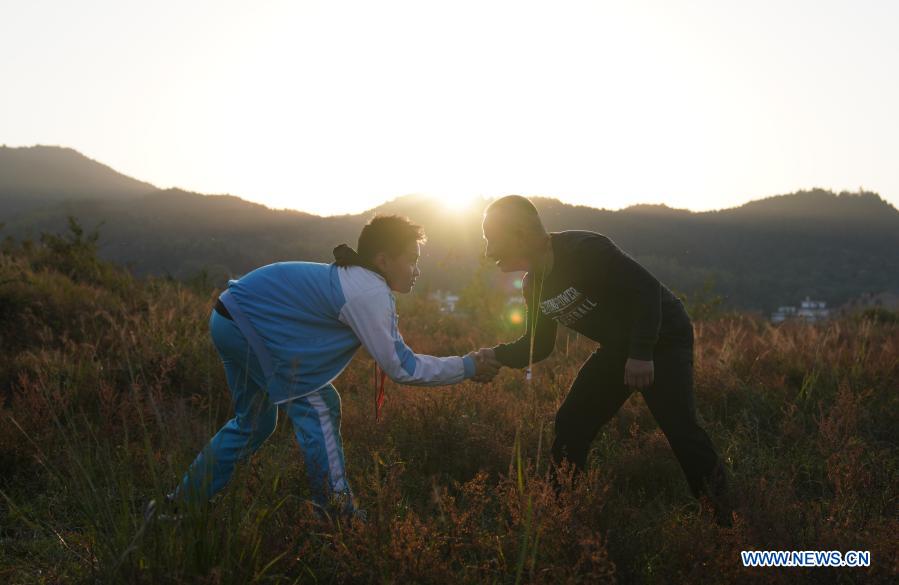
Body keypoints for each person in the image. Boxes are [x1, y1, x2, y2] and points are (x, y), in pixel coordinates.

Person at [164, 215, 499, 520]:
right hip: (248, 326)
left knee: (253, 423)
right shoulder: (368, 291)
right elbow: (402, 367)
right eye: (411, 260)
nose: (417, 270)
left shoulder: (360, 281)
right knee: (319, 404)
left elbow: (393, 356)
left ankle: (182, 504)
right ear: (383, 260)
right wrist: (468, 366)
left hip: (229, 318)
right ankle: (339, 514)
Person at [476, 196, 732, 525]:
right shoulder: (533, 286)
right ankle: (560, 515)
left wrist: (641, 354)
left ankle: (726, 521)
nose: (487, 251)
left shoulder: (585, 250)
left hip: (664, 339)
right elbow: (538, 345)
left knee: (680, 429)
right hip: (618, 348)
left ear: (519, 233)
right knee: (571, 422)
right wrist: (493, 355)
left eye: (490, 238)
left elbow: (647, 291)